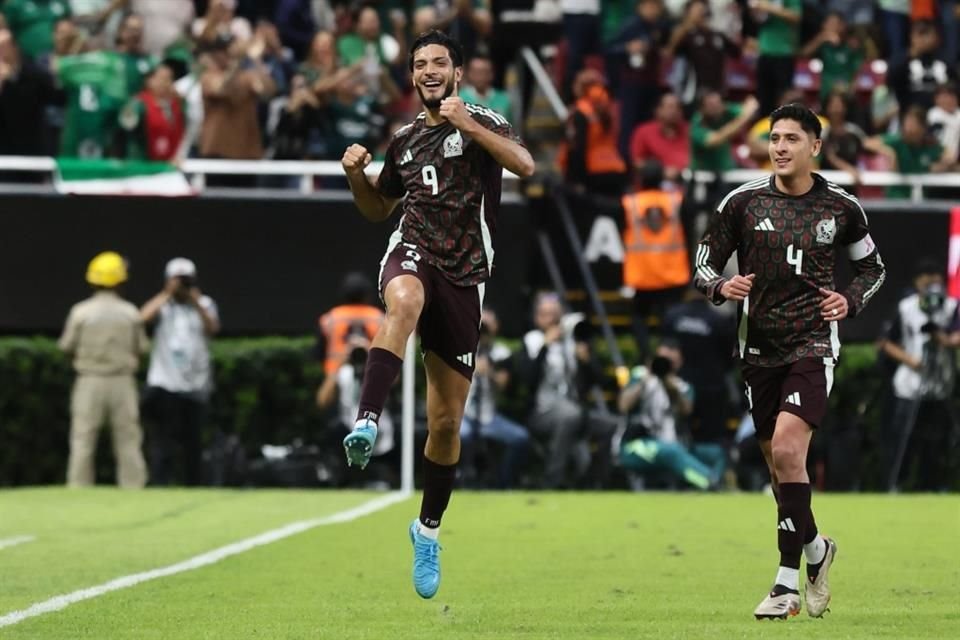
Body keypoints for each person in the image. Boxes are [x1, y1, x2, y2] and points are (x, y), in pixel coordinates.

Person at [339, 29, 533, 599]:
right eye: (420, 63)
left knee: (446, 424)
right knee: (404, 300)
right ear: (412, 75)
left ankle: (426, 531)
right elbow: (379, 208)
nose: (429, 71)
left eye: (439, 62)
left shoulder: (481, 119)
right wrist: (355, 176)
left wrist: (469, 125)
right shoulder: (403, 141)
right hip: (413, 249)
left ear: (457, 72)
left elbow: (525, 165)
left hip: (466, 277)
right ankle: (367, 420)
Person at [693, 103, 886, 619]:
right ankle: (818, 550)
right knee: (782, 470)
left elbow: (873, 268)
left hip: (813, 344)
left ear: (815, 147)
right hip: (757, 348)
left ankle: (784, 586)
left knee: (786, 448)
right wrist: (720, 286)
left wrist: (849, 300)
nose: (779, 147)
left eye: (791, 139)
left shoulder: (841, 207)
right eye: (774, 138)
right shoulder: (742, 203)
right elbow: (703, 261)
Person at [59, 251, 149, 488]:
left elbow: (66, 346)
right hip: (122, 381)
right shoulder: (130, 312)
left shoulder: (80, 311)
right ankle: (133, 486)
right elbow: (142, 348)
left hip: (89, 380)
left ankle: (78, 487)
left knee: (83, 439)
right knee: (128, 440)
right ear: (120, 280)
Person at [879, 259, 959, 491]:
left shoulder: (952, 306)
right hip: (910, 384)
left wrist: (943, 339)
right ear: (917, 283)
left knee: (937, 440)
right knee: (904, 437)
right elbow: (887, 342)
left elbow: (956, 336)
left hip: (940, 384)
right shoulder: (906, 307)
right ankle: (896, 483)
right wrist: (910, 361)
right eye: (927, 282)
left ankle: (933, 484)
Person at [140, 258, 220, 486]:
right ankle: (160, 484)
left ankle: (193, 484)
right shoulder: (163, 305)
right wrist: (167, 293)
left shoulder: (205, 303)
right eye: (178, 280)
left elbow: (213, 328)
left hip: (196, 385)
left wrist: (195, 302)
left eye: (186, 280)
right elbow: (141, 318)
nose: (182, 285)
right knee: (162, 441)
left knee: (193, 442)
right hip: (165, 383)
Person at [615, 340, 725, 490]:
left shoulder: (682, 386)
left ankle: (707, 488)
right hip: (635, 445)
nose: (664, 364)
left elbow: (686, 410)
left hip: (676, 443)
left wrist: (668, 384)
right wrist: (645, 380)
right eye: (661, 360)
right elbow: (623, 406)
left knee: (717, 453)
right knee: (670, 451)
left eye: (670, 362)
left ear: (679, 363)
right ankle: (712, 484)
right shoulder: (640, 376)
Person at [460, 309, 530, 489]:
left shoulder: (501, 352)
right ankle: (461, 481)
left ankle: (503, 483)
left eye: (486, 327)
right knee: (462, 435)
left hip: (489, 416)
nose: (482, 331)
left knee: (520, 438)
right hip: (463, 414)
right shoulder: (459, 347)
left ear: (495, 328)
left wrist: (489, 372)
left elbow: (503, 384)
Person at [315, 272, 384, 377]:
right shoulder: (379, 318)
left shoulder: (330, 319)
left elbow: (319, 353)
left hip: (335, 376)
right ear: (367, 295)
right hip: (374, 375)